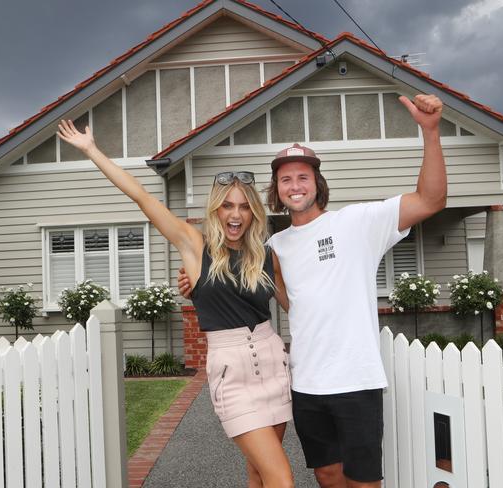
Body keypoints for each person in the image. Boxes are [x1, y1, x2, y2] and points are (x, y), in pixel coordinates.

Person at [179, 93, 447, 488]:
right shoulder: (274, 248)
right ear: (277, 190)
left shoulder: (357, 223)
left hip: (355, 379)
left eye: (303, 176)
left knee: (363, 481)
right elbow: (252, 289)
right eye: (285, 179)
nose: (295, 185)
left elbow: (431, 199)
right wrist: (194, 286)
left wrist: (431, 132)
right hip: (304, 383)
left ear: (317, 183)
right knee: (326, 475)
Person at [56, 120, 294, 488]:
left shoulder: (267, 256)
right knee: (281, 477)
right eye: (227, 206)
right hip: (232, 372)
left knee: (260, 472)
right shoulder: (195, 245)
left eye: (244, 207)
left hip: (272, 363)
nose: (235, 215)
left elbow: (296, 306)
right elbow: (143, 198)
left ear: (253, 213)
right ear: (216, 209)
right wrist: (91, 150)